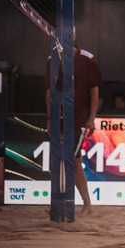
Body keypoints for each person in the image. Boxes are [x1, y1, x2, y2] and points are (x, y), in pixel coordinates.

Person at [44, 29, 103, 216]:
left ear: (74, 36)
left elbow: (94, 90)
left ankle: (82, 203)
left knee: (73, 160)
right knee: (61, 160)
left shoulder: (86, 59)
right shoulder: (52, 60)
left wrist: (91, 118)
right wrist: (50, 119)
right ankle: (66, 203)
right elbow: (49, 92)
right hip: (59, 118)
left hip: (78, 120)